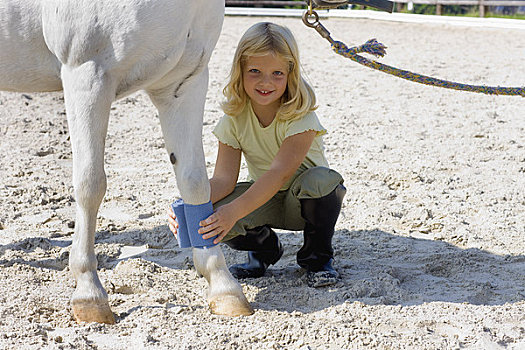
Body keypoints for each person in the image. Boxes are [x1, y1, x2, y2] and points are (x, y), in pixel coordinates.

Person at [168, 22, 346, 288]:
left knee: (322, 180)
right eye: (254, 71)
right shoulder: (234, 119)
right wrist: (188, 203)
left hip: (303, 202)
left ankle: (317, 259)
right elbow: (224, 181)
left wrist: (233, 211)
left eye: (277, 73)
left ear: (290, 73)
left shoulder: (300, 115)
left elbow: (279, 173)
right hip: (263, 199)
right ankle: (264, 250)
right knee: (213, 212)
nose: (266, 82)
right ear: (240, 71)